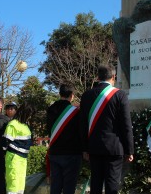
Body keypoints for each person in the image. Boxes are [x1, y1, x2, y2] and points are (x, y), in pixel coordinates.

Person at [79, 64, 134, 194]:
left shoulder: (86, 95)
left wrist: (84, 148)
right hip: (114, 149)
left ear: (98, 78)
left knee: (95, 185)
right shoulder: (120, 95)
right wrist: (129, 150)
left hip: (94, 148)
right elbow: (126, 124)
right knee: (112, 185)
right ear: (113, 77)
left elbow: (82, 124)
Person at [46, 82, 83, 194]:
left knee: (55, 186)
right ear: (72, 95)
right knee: (69, 187)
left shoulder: (50, 109)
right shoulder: (75, 111)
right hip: (71, 154)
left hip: (55, 153)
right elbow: (80, 132)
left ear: (59, 93)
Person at [2, 102, 35, 194]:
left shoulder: (24, 125)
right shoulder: (13, 124)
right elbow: (5, 143)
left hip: (22, 158)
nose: (30, 117)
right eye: (29, 114)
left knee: (20, 183)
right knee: (13, 182)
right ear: (25, 113)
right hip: (14, 157)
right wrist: (3, 155)